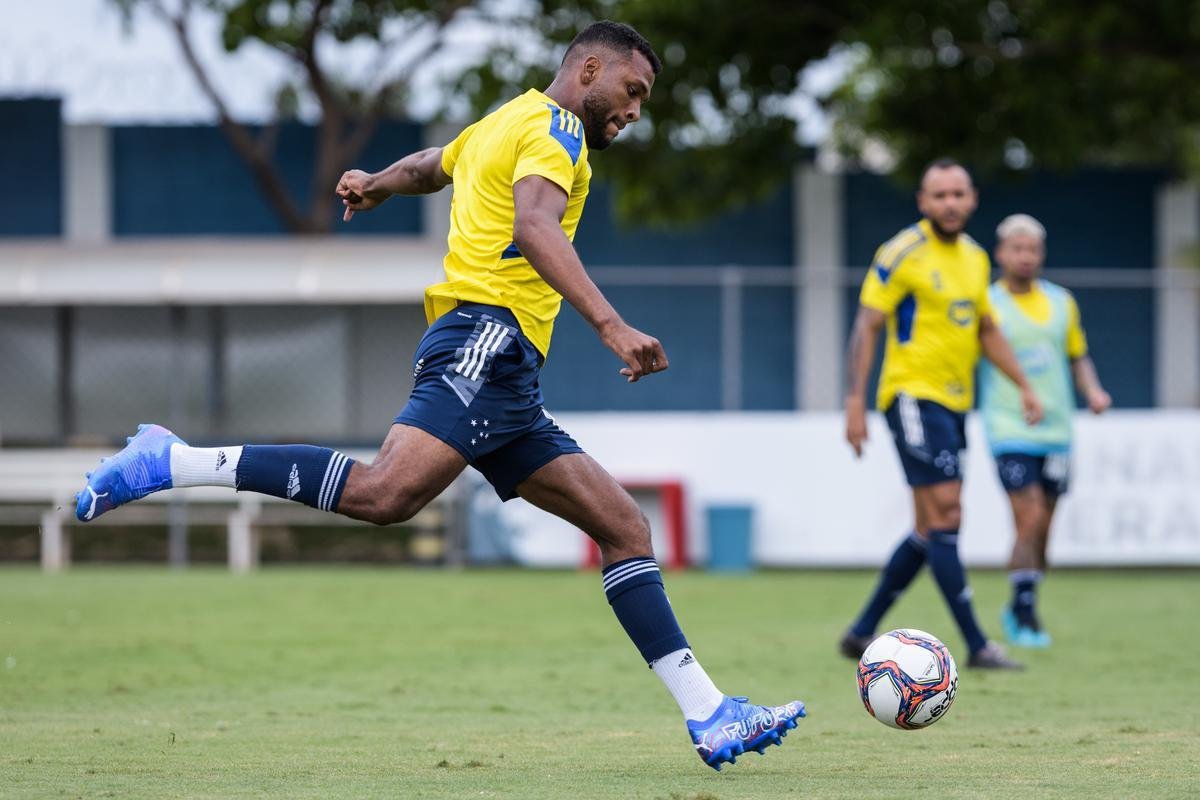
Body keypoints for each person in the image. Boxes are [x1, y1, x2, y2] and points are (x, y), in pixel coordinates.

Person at [73, 21, 802, 770]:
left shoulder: (503, 120)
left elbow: (433, 164)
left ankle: (711, 714)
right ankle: (174, 461)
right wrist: (612, 327)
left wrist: (377, 182)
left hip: (507, 374)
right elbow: (534, 226)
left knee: (623, 527)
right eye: (632, 90)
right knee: (385, 494)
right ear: (588, 68)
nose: (634, 110)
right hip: (487, 338)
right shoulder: (556, 130)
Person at [838, 158, 1043, 670]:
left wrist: (1024, 385)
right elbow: (868, 326)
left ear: (972, 199)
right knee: (949, 513)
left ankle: (861, 631)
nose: (950, 203)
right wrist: (854, 401)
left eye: (958, 194)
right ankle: (976, 644)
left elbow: (987, 330)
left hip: (954, 404)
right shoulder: (901, 251)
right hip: (910, 396)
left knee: (931, 527)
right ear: (923, 202)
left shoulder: (975, 260)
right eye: (939, 195)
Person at [980, 213, 1110, 648]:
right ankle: (1024, 612)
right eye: (1017, 249)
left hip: (1057, 429)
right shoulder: (987, 304)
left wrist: (1092, 391)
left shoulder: (1061, 302)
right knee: (1029, 514)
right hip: (1009, 425)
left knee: (1044, 531)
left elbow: (1077, 355)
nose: (1025, 257)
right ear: (1001, 253)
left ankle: (1021, 595)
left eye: (1032, 250)